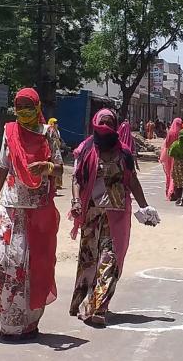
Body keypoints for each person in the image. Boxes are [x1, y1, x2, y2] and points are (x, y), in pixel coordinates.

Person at [0, 88, 63, 342]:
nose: (23, 111)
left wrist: (47, 167)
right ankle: (8, 321)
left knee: (31, 268)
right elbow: (1, 168)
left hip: (37, 211)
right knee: (3, 263)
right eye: (19, 106)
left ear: (38, 107)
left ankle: (27, 323)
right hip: (11, 208)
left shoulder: (49, 133)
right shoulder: (10, 132)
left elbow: (60, 168)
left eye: (28, 106)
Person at [69, 109, 158, 326]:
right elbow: (76, 178)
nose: (106, 127)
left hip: (116, 215)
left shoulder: (124, 153)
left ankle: (98, 307)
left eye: (110, 123)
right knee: (89, 260)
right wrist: (75, 201)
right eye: (103, 123)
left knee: (109, 260)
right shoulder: (86, 148)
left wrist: (146, 207)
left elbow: (132, 181)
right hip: (91, 213)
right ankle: (82, 301)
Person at [160, 118, 183, 201]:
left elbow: (166, 144)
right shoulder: (181, 133)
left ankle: (169, 191)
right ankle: (174, 192)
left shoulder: (170, 132)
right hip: (178, 156)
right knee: (176, 174)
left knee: (169, 174)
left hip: (169, 155)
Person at [47, 118, 66, 190]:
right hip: (51, 151)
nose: (56, 124)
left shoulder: (57, 131)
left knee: (58, 166)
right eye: (54, 123)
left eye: (56, 123)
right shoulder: (49, 130)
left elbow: (58, 140)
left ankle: (56, 184)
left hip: (56, 150)